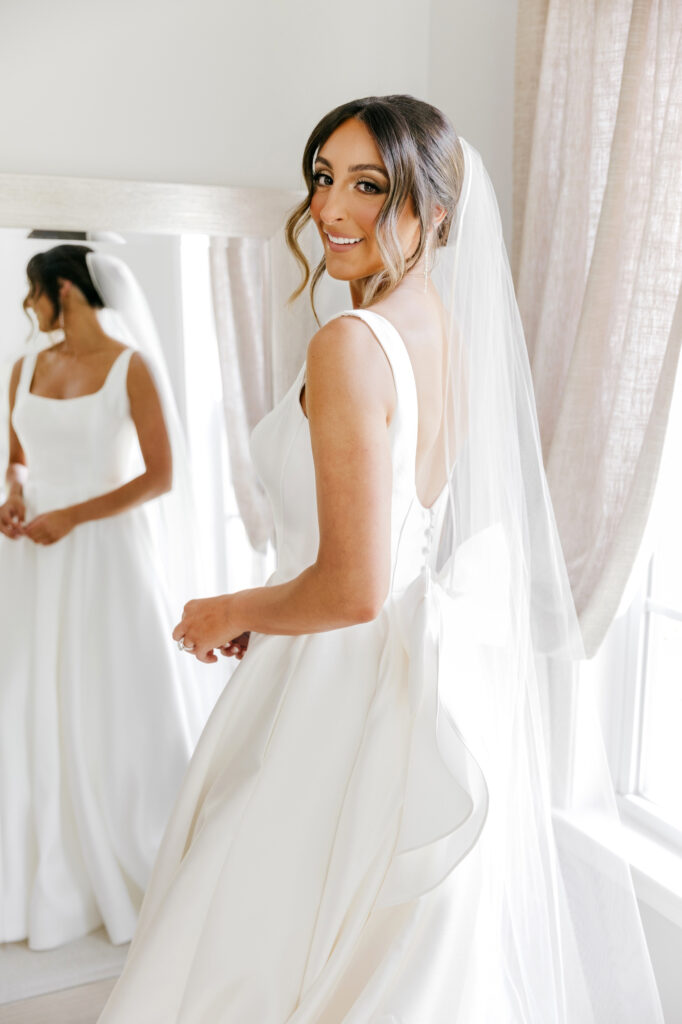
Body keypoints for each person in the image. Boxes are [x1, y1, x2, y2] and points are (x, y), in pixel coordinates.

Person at [98, 97, 663, 1022]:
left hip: (337, 695)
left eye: (370, 186)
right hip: (396, 679)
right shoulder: (439, 324)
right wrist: (282, 610)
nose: (330, 208)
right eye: (324, 178)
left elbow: (354, 588)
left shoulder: (349, 344)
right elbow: (385, 555)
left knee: (250, 936)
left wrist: (230, 609)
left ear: (435, 208)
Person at [0, 245, 215, 951]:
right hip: (31, 557)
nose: (27, 310)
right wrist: (12, 499)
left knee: (107, 693)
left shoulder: (131, 367)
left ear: (63, 290)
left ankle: (122, 848)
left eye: (34, 295)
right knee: (26, 695)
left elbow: (160, 477)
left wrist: (74, 515)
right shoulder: (23, 368)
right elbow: (19, 460)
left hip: (104, 555)